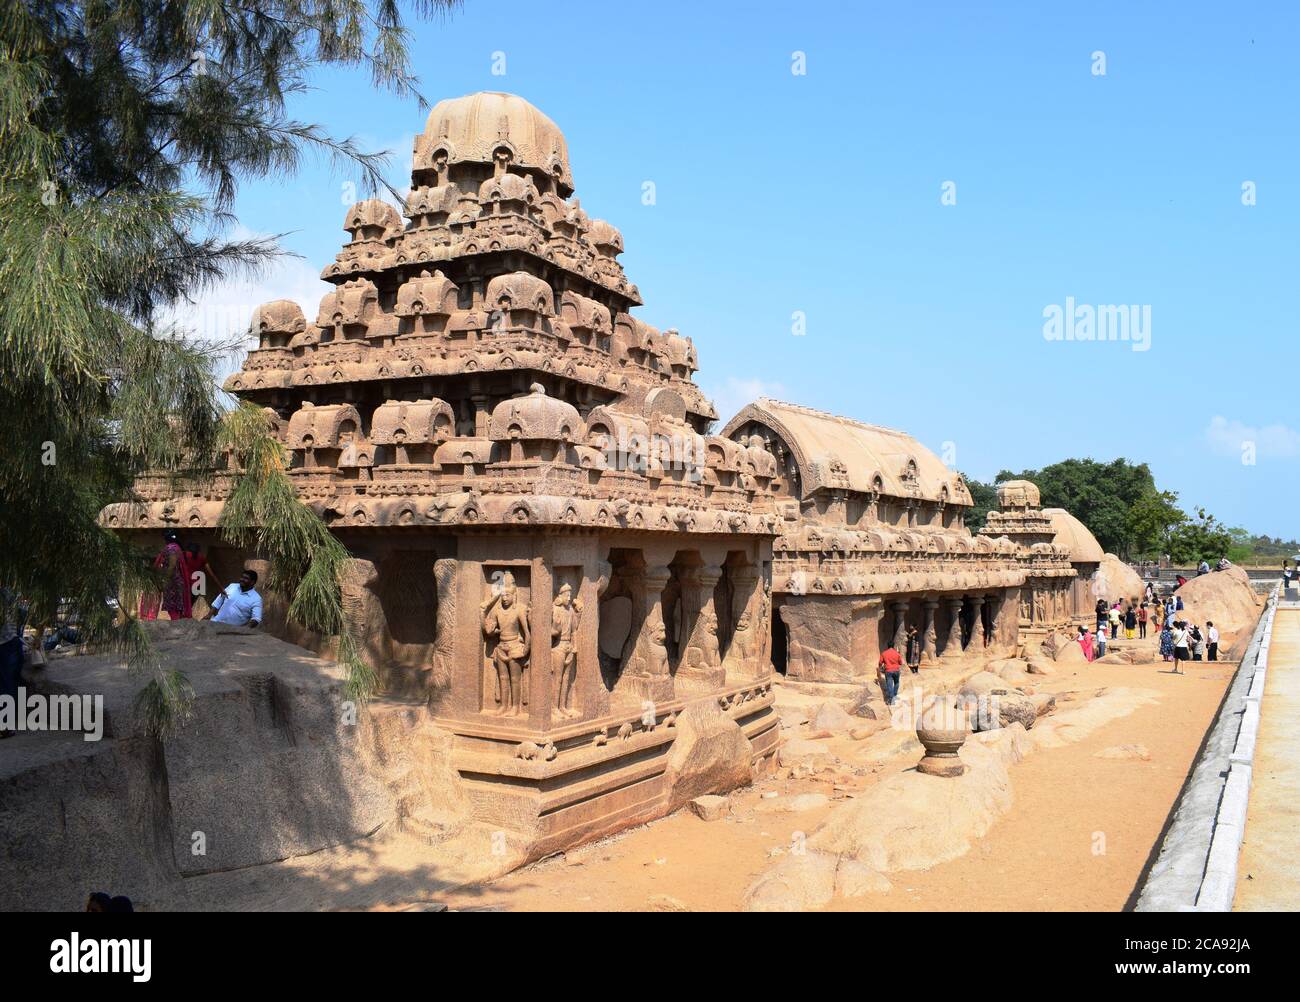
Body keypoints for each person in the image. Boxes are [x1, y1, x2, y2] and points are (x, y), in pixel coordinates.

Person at [141, 530, 191, 620]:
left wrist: (165, 580)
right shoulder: (177, 547)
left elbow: (172, 565)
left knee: (173, 607)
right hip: (176, 581)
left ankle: (176, 625)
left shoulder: (171, 548)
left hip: (172, 582)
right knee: (176, 607)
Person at [1, 588, 29, 739]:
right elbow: (22, 613)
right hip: (10, 643)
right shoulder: (7, 592)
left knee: (5, 684)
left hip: (6, 644)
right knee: (10, 683)